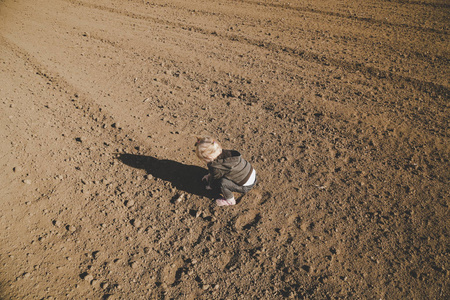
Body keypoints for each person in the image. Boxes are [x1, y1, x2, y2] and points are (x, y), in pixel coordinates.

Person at [195, 136, 257, 206]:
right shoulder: (226, 153)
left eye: (204, 160)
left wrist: (210, 185)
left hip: (246, 186)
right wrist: (210, 174)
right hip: (251, 174)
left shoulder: (215, 166)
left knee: (223, 183)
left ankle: (230, 200)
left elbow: (215, 179)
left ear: (209, 157)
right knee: (224, 173)